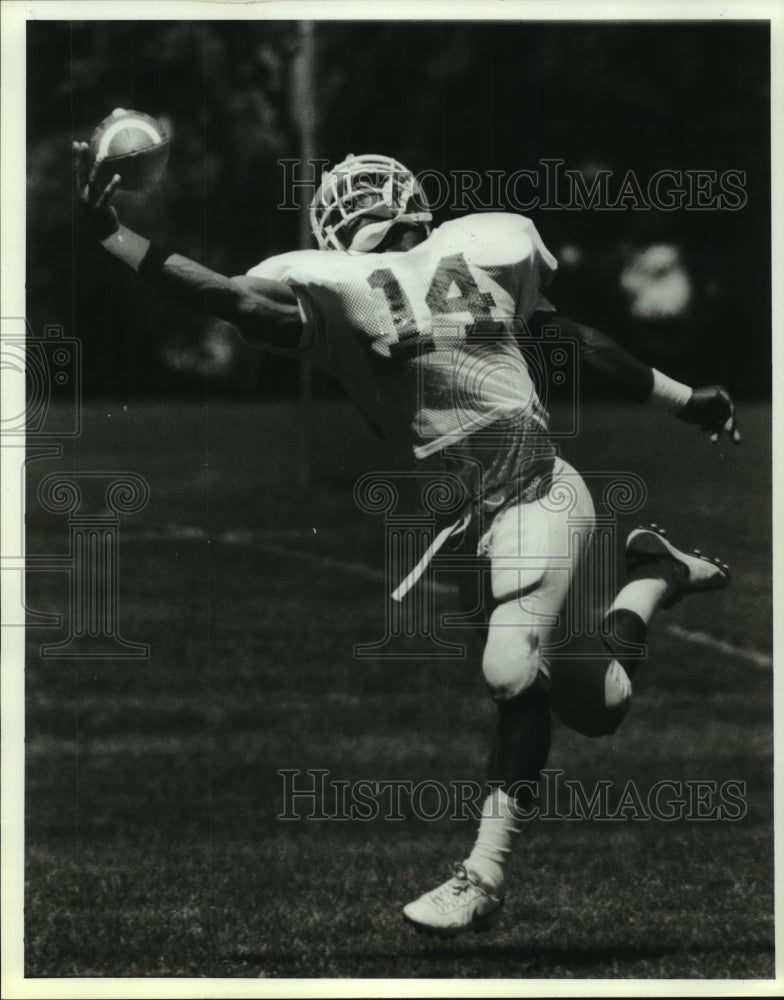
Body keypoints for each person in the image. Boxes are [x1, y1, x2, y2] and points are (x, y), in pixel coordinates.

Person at [73, 146, 740, 937]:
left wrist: (115, 236)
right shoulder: (397, 276)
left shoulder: (453, 258)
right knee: (596, 706)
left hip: (539, 490)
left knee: (508, 668)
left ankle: (483, 876)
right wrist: (683, 397)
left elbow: (570, 339)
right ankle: (654, 574)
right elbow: (235, 301)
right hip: (471, 524)